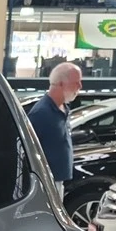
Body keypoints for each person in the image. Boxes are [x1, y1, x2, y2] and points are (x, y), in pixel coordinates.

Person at [27, 62, 82, 199]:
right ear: (61, 83)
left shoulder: (63, 108)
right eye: (76, 82)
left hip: (57, 181)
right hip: (45, 183)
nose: (80, 86)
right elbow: (28, 149)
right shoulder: (41, 113)